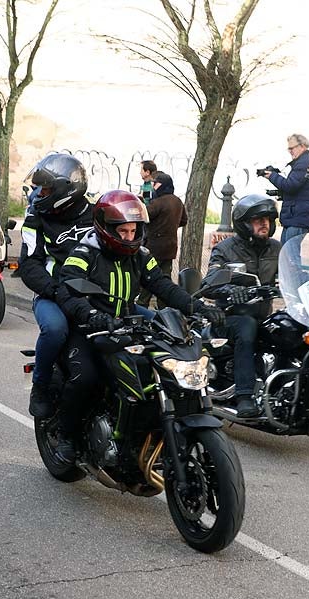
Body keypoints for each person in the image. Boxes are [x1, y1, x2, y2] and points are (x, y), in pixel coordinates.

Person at [50, 190, 224, 463]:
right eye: (123, 231)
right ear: (106, 228)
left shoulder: (140, 255)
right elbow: (67, 291)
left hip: (127, 325)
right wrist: (91, 314)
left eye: (134, 230)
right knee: (85, 377)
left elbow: (162, 285)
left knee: (160, 369)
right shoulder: (84, 252)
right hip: (89, 328)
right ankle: (66, 436)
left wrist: (196, 307)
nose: (129, 237)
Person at [18, 153, 93, 418]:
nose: (39, 193)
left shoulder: (97, 215)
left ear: (65, 190)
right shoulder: (36, 217)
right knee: (54, 328)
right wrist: (55, 290)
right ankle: (40, 385)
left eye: (46, 188)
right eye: (39, 187)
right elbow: (29, 265)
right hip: (52, 295)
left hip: (94, 295)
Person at [203, 193, 281, 417]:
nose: (265, 224)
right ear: (244, 224)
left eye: (268, 219)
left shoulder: (276, 249)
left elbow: (294, 274)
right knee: (246, 327)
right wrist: (229, 290)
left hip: (262, 316)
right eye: (259, 220)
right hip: (230, 317)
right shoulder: (226, 249)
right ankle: (244, 395)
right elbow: (208, 283)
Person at [136, 171, 187, 307]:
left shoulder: (158, 202)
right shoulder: (177, 201)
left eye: (155, 184)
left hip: (155, 248)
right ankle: (164, 312)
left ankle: (141, 307)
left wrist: (139, 202)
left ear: (162, 185)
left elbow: (144, 216)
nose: (153, 187)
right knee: (165, 280)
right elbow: (184, 221)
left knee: (149, 279)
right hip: (170, 248)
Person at [261, 133, 309, 246]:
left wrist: (272, 176)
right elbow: (296, 188)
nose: (290, 151)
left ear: (302, 146)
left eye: (292, 148)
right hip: (297, 216)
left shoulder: (303, 163)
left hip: (298, 217)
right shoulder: (305, 162)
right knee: (286, 254)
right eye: (289, 149)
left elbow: (290, 186)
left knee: (290, 256)